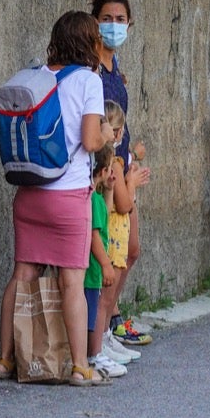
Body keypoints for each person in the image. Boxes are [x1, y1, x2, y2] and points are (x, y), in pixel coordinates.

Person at [0, 11, 111, 385]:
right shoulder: (89, 81)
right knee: (71, 281)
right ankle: (79, 365)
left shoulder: (37, 76)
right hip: (68, 196)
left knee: (22, 273)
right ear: (90, 43)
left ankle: (4, 360)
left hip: (29, 193)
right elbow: (91, 140)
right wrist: (107, 134)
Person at [91, 0, 151, 347]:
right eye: (107, 18)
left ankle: (110, 321)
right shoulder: (92, 70)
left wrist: (132, 153)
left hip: (124, 166)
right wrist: (118, 175)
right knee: (114, 256)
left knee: (130, 251)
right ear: (95, 21)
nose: (114, 25)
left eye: (120, 19)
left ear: (130, 24)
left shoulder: (116, 71)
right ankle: (102, 332)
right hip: (109, 174)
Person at [85, 144, 123, 377]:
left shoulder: (95, 196)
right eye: (109, 169)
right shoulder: (92, 199)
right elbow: (94, 234)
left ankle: (93, 353)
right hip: (92, 267)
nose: (112, 174)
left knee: (92, 309)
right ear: (100, 170)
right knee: (92, 311)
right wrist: (106, 264)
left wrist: (109, 189)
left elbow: (105, 214)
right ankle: (93, 354)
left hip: (93, 267)